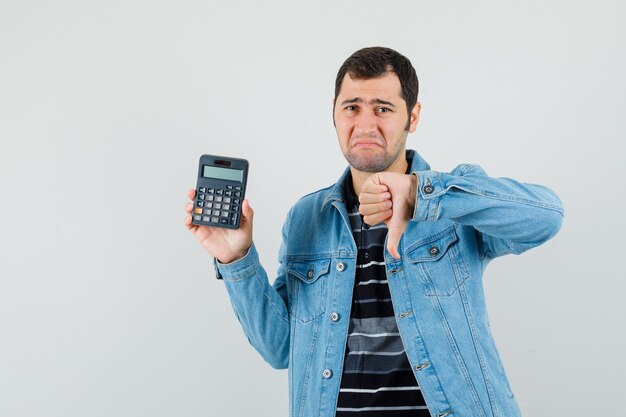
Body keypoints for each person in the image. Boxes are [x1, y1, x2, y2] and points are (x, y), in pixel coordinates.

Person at [184, 47, 563, 417]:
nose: (365, 125)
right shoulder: (306, 218)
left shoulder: (454, 200)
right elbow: (281, 348)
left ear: (412, 118)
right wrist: (235, 260)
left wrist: (420, 194)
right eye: (352, 108)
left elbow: (546, 217)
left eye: (383, 108)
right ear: (333, 116)